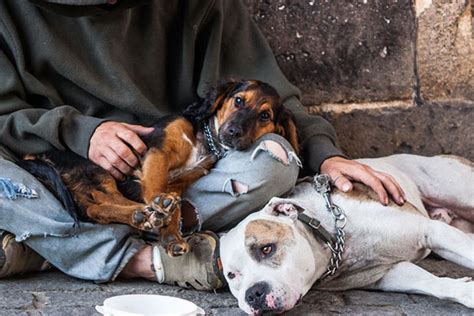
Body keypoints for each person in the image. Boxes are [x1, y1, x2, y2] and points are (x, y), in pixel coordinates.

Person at [0, 0, 405, 289]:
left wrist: (326, 154)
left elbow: (272, 96)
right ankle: (145, 261)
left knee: (275, 163)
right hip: (48, 168)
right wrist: (79, 132)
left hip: (181, 174)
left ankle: (49, 245)